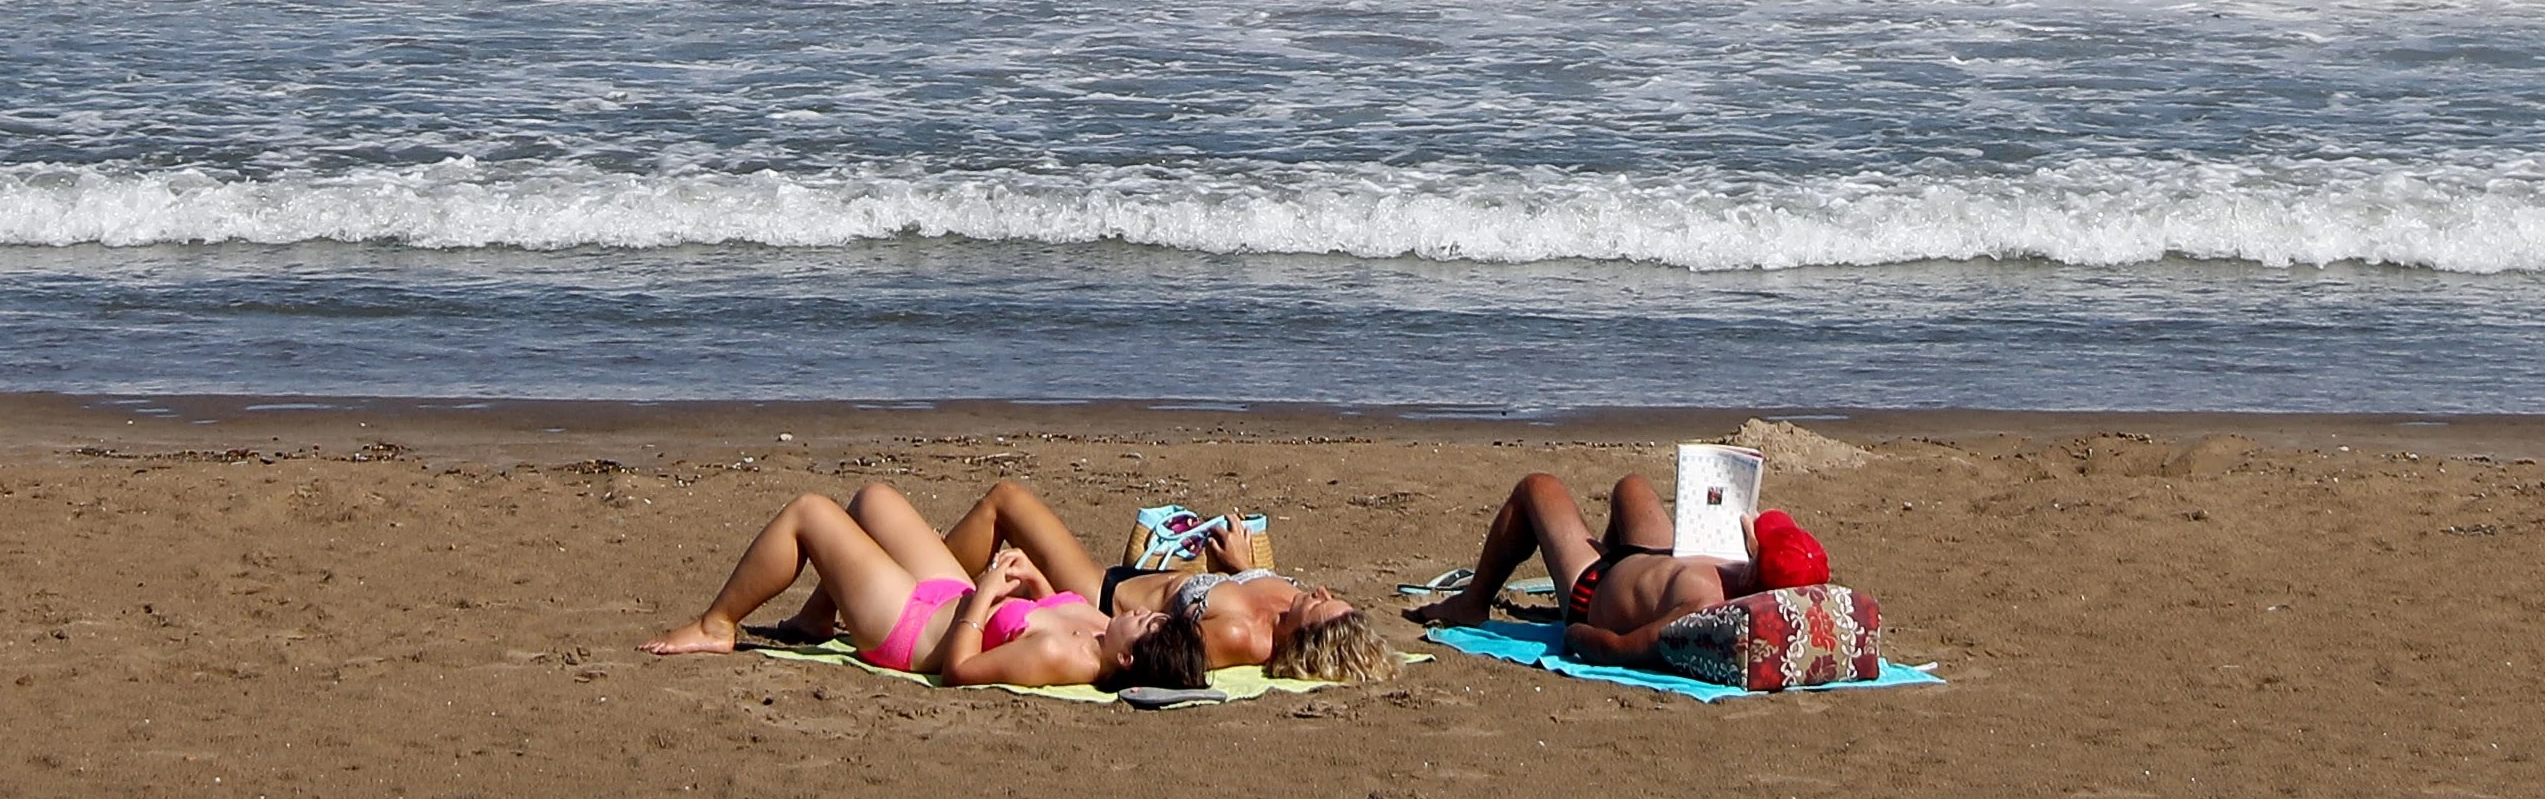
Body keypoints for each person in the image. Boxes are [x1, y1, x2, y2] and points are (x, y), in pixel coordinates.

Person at [642, 478, 1117, 687]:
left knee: (808, 513)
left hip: (910, 630)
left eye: (1148, 623)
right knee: (873, 500)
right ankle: (816, 616)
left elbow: (960, 670)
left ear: (1132, 654)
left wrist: (991, 589)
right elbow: (1048, 614)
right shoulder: (1100, 626)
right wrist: (1034, 581)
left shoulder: (1063, 658)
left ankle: (716, 625)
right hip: (951, 596)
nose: (1139, 613)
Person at [1406, 467, 1765, 666]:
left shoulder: (1701, 608)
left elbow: (1618, 648)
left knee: (1536, 487)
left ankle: (1472, 602)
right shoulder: (1762, 580)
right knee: (1632, 486)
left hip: (1592, 593)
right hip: (1652, 565)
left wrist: (1575, 633)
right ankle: (1606, 560)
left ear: (1753, 569)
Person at [1101, 525, 1396, 690]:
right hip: (1153, 581)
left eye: (1322, 603)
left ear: (1303, 640)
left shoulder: (1240, 637)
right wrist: (1242, 565)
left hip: (1113, 595)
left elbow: (1161, 653)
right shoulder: (1287, 608)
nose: (1321, 591)